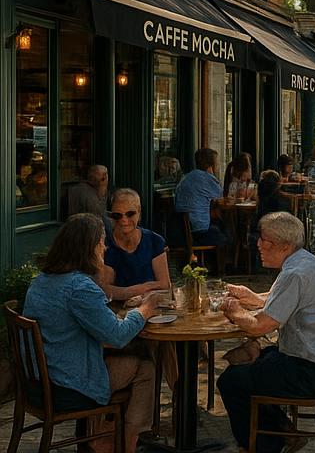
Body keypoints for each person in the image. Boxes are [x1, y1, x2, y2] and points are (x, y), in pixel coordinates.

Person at [22, 214, 163, 453]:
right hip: (66, 386)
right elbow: (116, 336)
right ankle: (121, 443)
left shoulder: (43, 280)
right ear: (88, 247)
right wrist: (145, 310)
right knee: (146, 368)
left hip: (36, 383)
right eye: (101, 241)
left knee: (128, 360)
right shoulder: (79, 288)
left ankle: (104, 435)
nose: (105, 247)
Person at [218, 212, 315, 453]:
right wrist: (250, 297)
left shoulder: (295, 274)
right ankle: (285, 431)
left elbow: (262, 325)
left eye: (265, 241)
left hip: (308, 372)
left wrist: (235, 312)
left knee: (232, 381)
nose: (258, 245)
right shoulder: (305, 261)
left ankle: (263, 446)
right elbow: (281, 302)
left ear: (285, 246)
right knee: (250, 366)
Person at [100, 188, 171, 301]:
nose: (124, 220)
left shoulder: (154, 241)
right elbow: (105, 290)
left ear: (139, 213)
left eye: (130, 214)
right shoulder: (105, 245)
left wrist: (123, 292)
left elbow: (164, 285)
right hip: (118, 310)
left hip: (152, 307)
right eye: (118, 215)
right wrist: (142, 289)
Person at [173, 148, 227, 247]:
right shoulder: (209, 179)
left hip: (181, 231)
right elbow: (220, 199)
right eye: (217, 163)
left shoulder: (185, 178)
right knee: (226, 234)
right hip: (200, 231)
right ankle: (221, 261)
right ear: (212, 165)